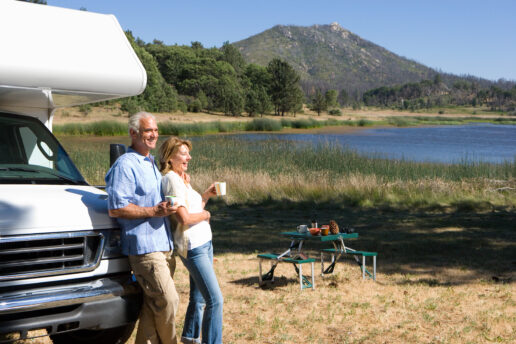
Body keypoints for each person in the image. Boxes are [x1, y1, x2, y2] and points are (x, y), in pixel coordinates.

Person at [105, 112, 180, 344]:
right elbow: (116, 208)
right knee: (169, 300)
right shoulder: (125, 165)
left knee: (153, 306)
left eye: (156, 130)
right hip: (145, 249)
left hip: (162, 245)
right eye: (148, 131)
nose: (154, 135)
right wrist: (153, 211)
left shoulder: (149, 163)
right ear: (133, 133)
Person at [158, 137, 223, 344]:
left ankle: (190, 337)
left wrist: (205, 196)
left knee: (200, 297)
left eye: (188, 153)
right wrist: (206, 215)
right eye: (184, 153)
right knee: (215, 300)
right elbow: (184, 219)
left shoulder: (181, 179)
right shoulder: (171, 180)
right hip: (194, 247)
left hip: (204, 243)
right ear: (170, 157)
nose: (189, 157)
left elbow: (193, 209)